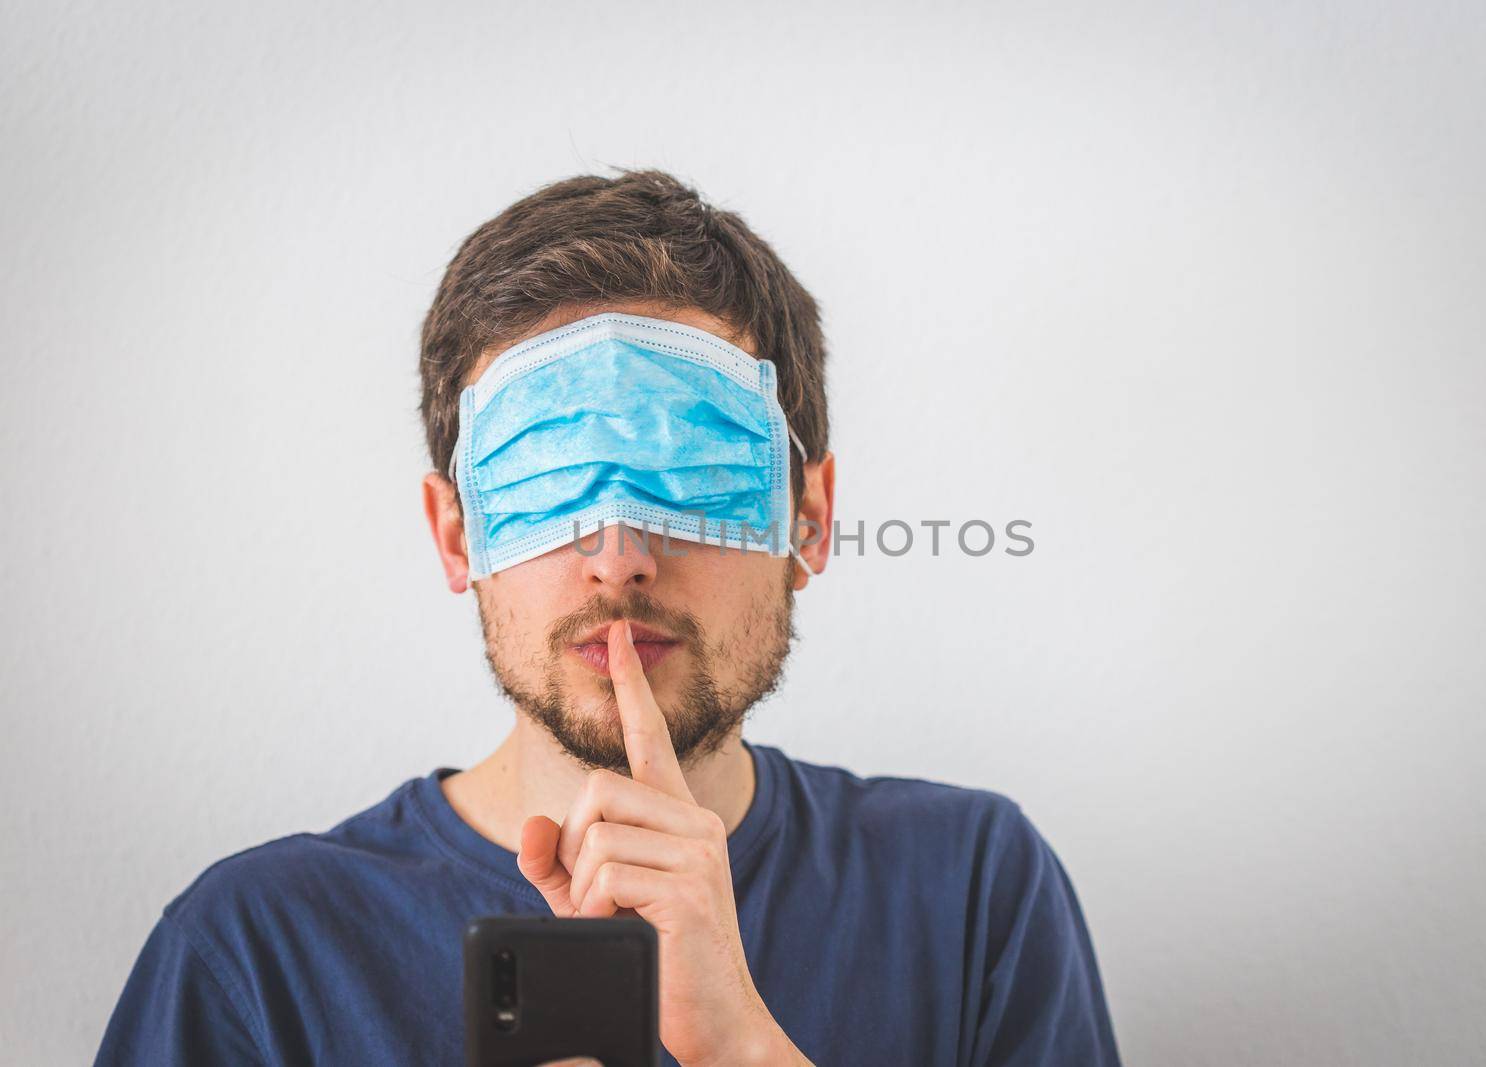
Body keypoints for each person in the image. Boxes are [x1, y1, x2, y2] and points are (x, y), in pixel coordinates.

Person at [93, 169, 1121, 1066]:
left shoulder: (971, 885)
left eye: (698, 472)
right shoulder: (255, 952)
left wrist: (739, 1045)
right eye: (544, 478)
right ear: (458, 537)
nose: (620, 558)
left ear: (806, 520)